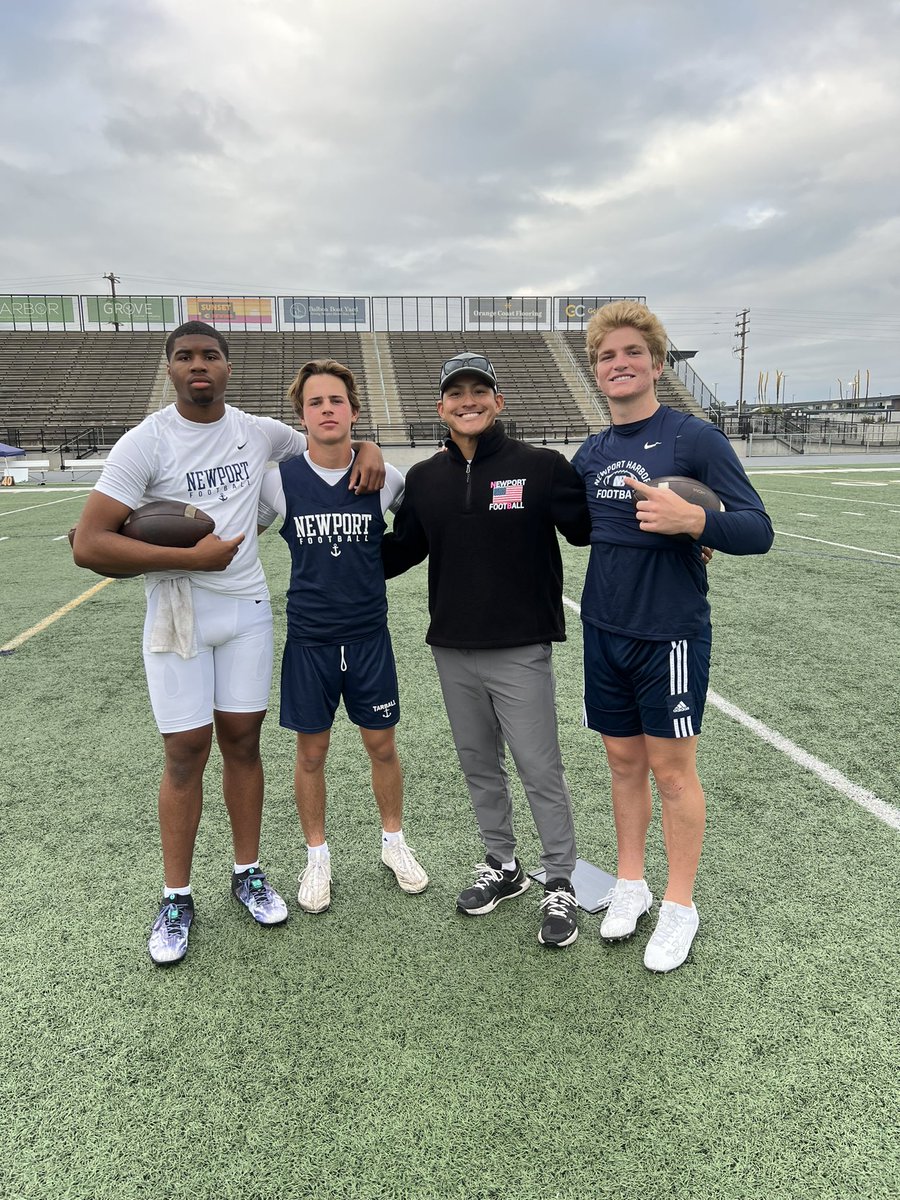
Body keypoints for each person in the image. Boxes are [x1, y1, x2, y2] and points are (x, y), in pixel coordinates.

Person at [73, 322, 385, 966]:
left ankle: (248, 872)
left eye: (210, 356)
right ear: (170, 370)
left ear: (228, 367)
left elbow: (330, 443)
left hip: (246, 611)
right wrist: (189, 557)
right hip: (178, 612)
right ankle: (176, 895)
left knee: (243, 741)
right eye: (185, 357)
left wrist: (372, 445)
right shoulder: (146, 442)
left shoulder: (256, 431)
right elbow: (89, 543)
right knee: (186, 752)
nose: (198, 366)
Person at [571, 301, 773, 972]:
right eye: (607, 355)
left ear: (657, 364)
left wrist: (695, 521)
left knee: (672, 773)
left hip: (670, 637)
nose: (620, 364)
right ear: (596, 371)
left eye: (632, 353)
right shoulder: (593, 451)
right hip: (604, 630)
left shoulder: (694, 438)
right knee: (623, 766)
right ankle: (632, 883)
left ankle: (680, 905)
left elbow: (757, 529)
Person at [381, 351, 592, 948]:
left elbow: (591, 528)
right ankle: (504, 866)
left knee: (538, 767)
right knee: (479, 765)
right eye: (456, 393)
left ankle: (560, 879)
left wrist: (681, 531)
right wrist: (337, 557)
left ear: (498, 402)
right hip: (453, 647)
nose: (467, 401)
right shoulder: (425, 478)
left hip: (520, 647)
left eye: (479, 391)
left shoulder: (542, 467)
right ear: (441, 407)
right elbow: (404, 551)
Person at [258, 358, 428, 913]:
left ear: (354, 411)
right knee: (312, 753)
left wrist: (374, 451)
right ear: (301, 415)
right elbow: (230, 533)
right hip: (309, 641)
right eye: (315, 402)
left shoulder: (389, 477)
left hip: (368, 638)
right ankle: (317, 858)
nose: (326, 410)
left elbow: (426, 526)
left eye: (336, 400)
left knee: (382, 746)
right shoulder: (278, 482)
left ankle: (394, 844)